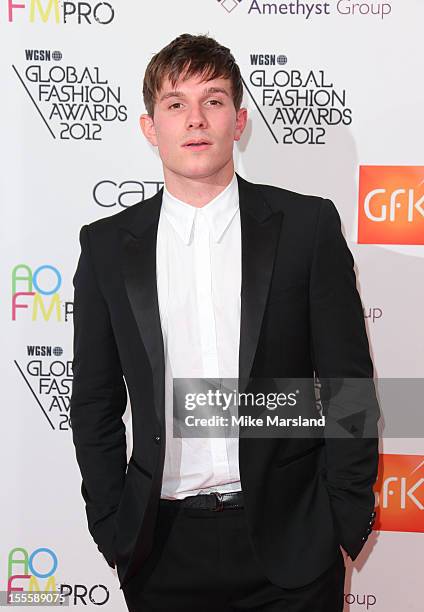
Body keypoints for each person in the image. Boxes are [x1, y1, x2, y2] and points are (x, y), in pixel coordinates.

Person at [70, 33, 380, 612]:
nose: (194, 120)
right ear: (149, 126)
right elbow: (92, 401)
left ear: (238, 122)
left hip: (292, 545)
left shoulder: (305, 228)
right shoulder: (108, 247)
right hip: (160, 551)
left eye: (212, 101)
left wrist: (342, 515)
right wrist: (114, 525)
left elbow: (348, 387)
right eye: (175, 103)